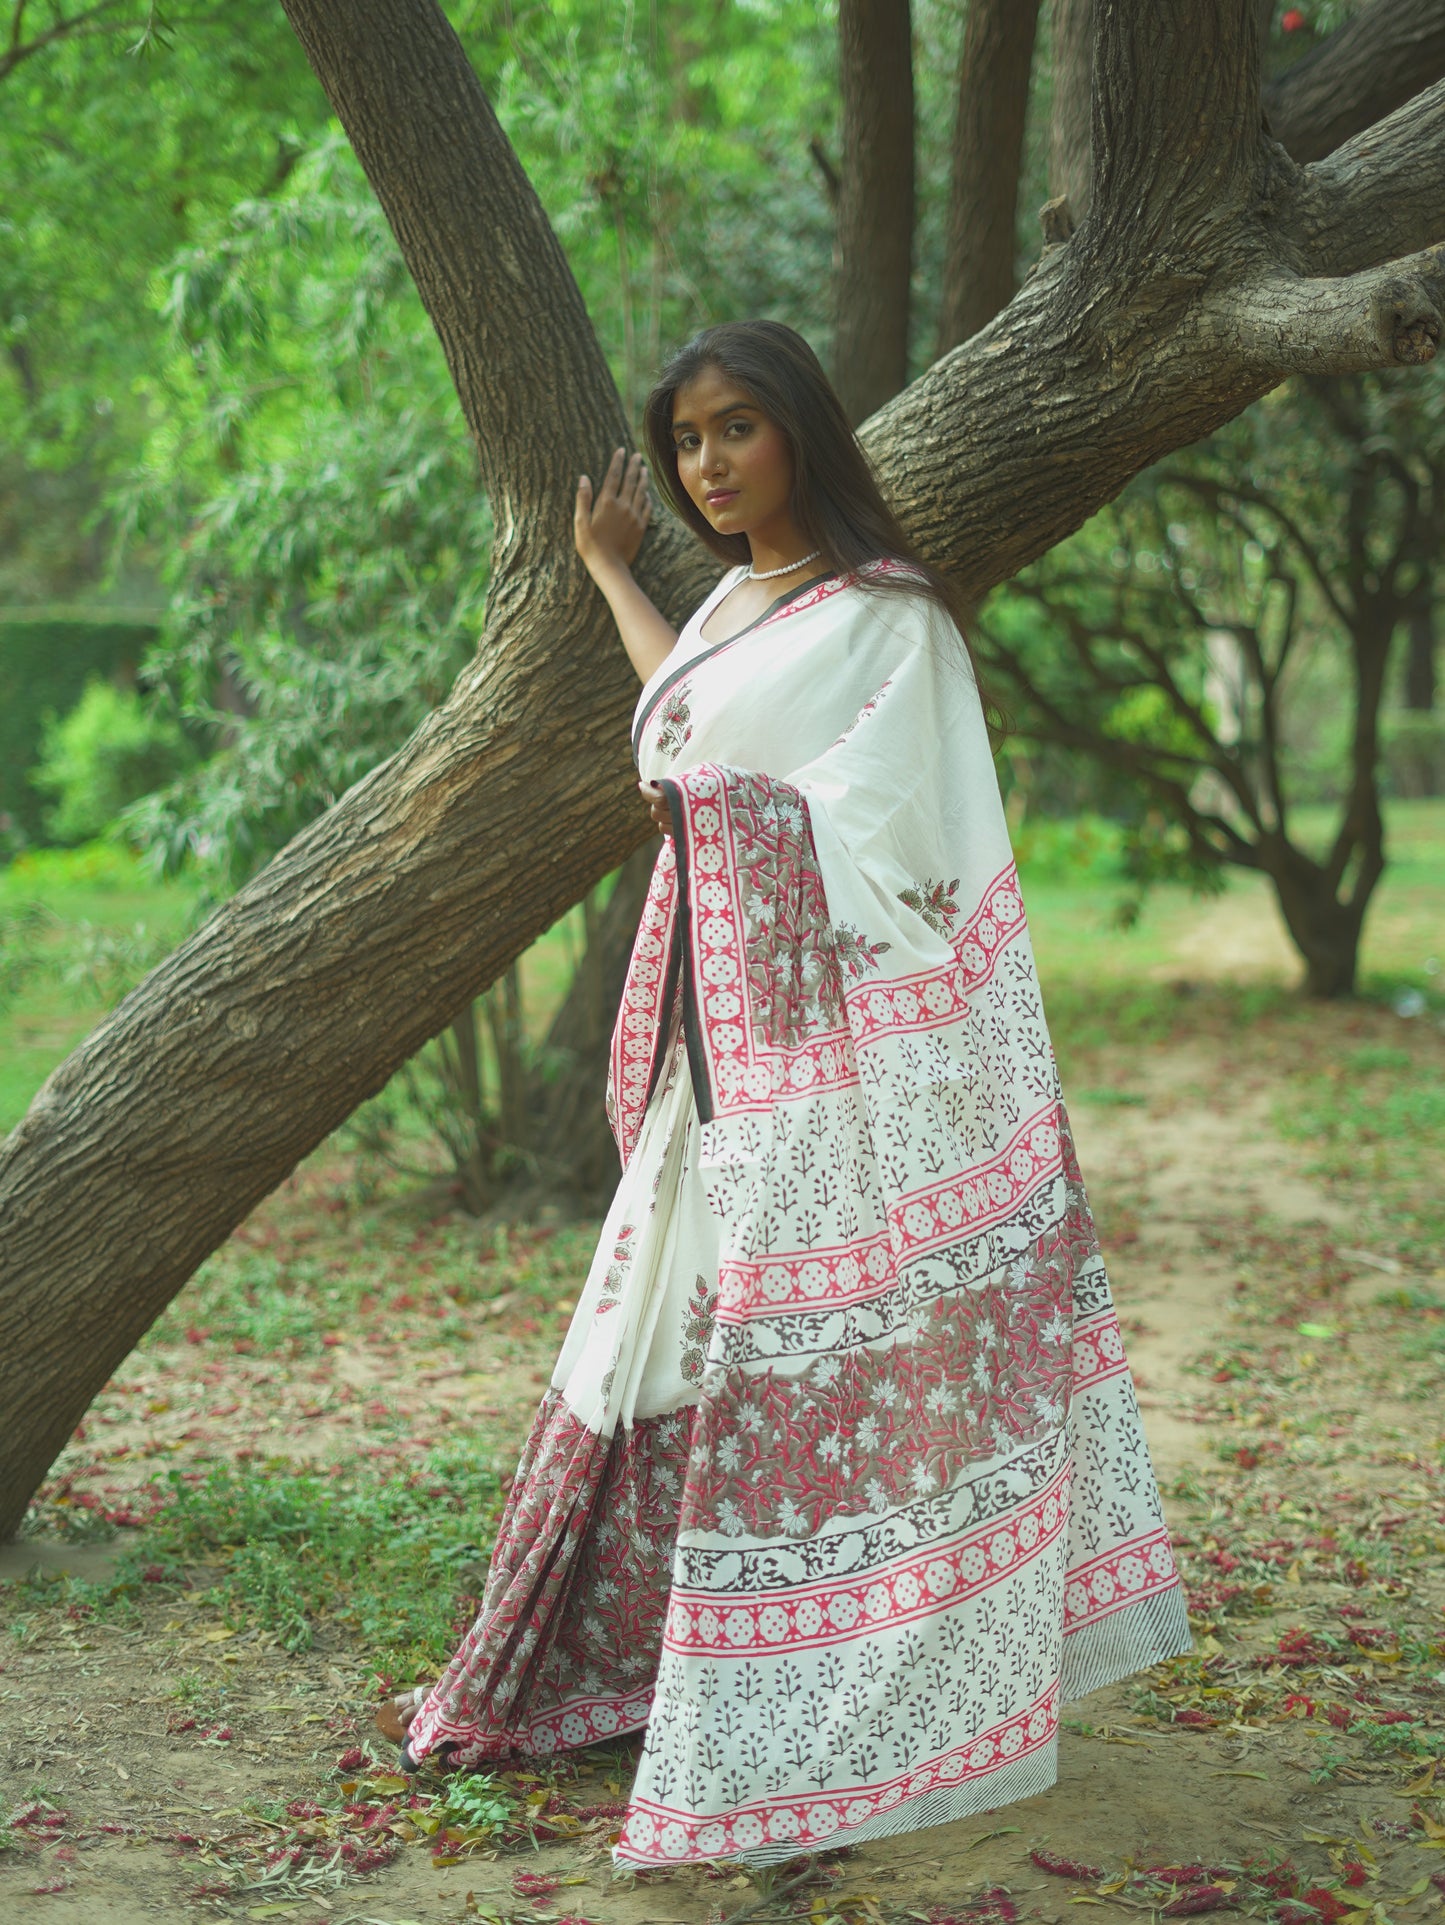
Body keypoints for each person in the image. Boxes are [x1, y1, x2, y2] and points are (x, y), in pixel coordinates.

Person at [385, 320, 1191, 1869]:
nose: (707, 463)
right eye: (687, 439)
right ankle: (618, 1658)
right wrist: (612, 575)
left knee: (800, 1341)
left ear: (801, 430)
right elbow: (689, 725)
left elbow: (893, 830)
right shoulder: (731, 606)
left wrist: (718, 814)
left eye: (735, 428)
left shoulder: (887, 621)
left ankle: (841, 1676)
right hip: (715, 1040)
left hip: (825, 1055)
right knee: (651, 1332)